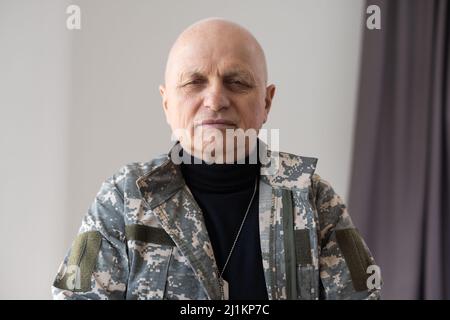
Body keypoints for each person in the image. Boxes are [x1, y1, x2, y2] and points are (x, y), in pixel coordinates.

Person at [52, 18, 381, 300]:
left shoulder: (313, 199)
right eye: (194, 82)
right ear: (167, 103)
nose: (215, 99)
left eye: (236, 82)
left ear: (266, 102)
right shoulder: (124, 198)